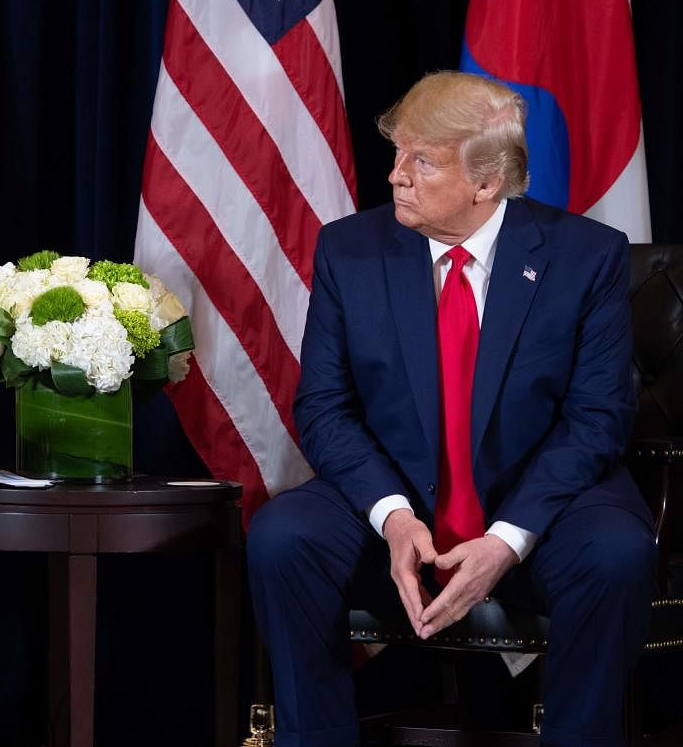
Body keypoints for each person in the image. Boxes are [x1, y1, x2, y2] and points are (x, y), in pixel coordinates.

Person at [246, 71, 655, 746]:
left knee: (615, 552)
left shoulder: (586, 257)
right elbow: (323, 405)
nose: (397, 176)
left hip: (539, 502)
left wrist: (507, 537)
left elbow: (597, 419)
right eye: (398, 154)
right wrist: (393, 514)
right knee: (284, 537)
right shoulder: (350, 249)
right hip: (397, 496)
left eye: (422, 161)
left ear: (487, 181)